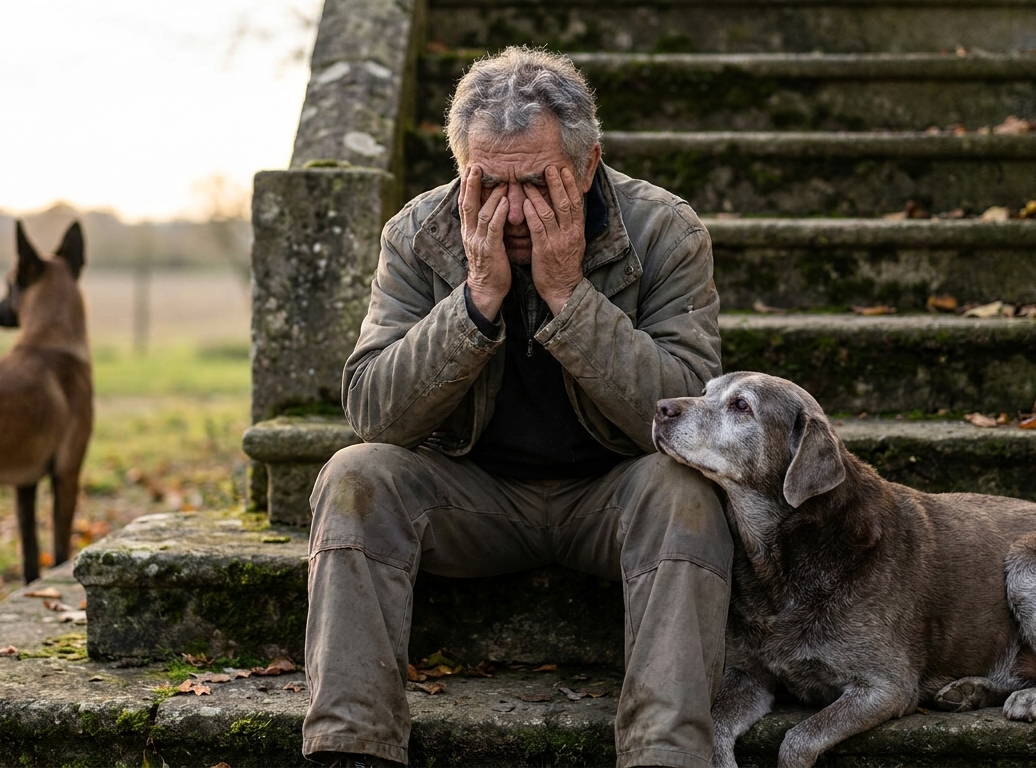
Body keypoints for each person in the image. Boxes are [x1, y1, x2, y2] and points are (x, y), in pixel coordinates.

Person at [303, 46, 730, 768]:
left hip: (615, 493)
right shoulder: (417, 233)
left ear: (588, 164)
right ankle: (353, 750)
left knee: (688, 493)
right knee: (354, 474)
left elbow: (688, 417)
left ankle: (666, 753)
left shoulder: (665, 231)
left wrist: (569, 296)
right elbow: (374, 412)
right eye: (486, 183)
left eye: (536, 182)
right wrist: (475, 299)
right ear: (460, 168)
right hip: (472, 497)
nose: (510, 209)